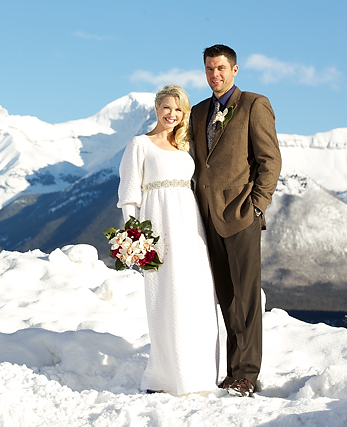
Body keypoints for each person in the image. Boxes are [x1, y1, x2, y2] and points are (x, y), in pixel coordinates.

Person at [189, 44, 282, 397]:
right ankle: (231, 371)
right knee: (226, 297)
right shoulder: (198, 112)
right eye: (210, 69)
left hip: (241, 216)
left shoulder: (254, 105)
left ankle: (247, 374)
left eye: (221, 68)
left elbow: (270, 161)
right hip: (207, 218)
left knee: (246, 298)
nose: (215, 74)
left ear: (235, 70)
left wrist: (257, 207)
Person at [118, 84, 220, 395]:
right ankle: (165, 377)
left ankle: (200, 374)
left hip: (190, 227)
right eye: (167, 107)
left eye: (178, 109)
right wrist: (135, 238)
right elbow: (128, 195)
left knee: (197, 297)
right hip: (158, 225)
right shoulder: (140, 144)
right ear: (156, 108)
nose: (172, 114)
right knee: (164, 297)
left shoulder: (185, 147)